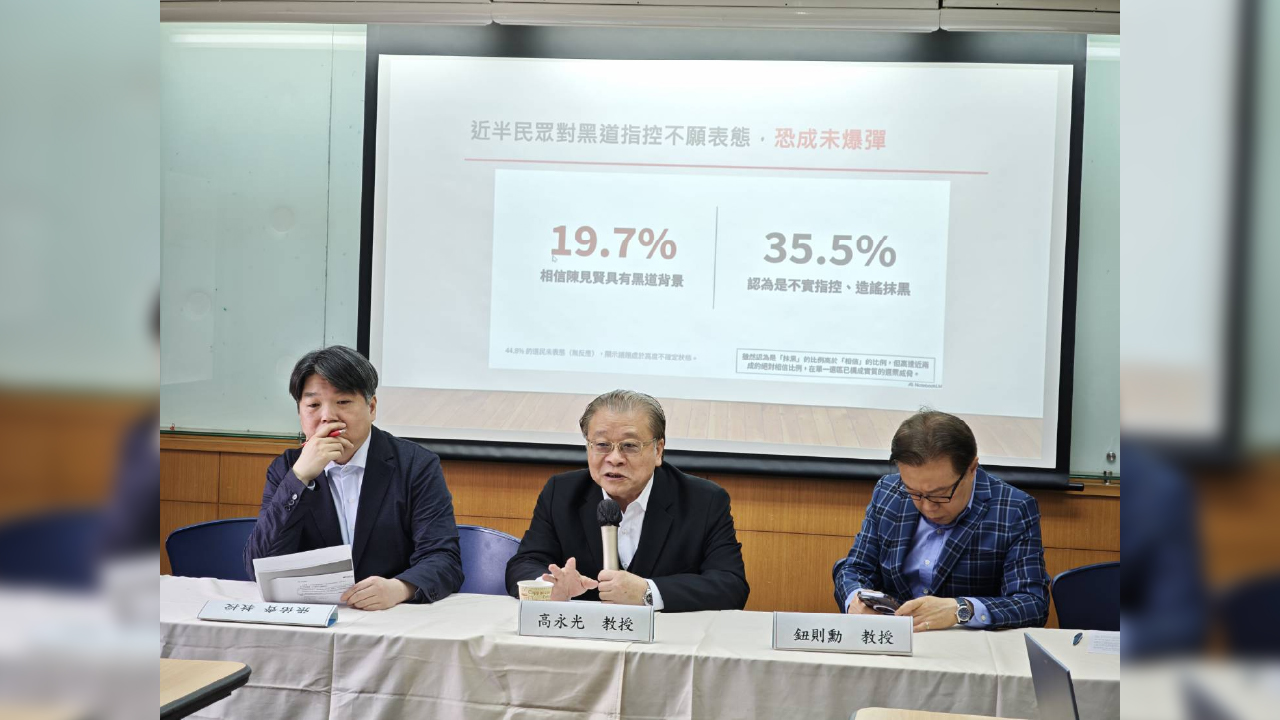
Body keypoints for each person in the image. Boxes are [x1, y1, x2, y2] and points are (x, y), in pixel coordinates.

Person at [244, 346, 462, 609]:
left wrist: (400, 588)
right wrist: (299, 479)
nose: (327, 416)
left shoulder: (416, 465)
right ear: (300, 412)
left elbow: (443, 558)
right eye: (313, 405)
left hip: (391, 615)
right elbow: (260, 566)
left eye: (343, 402)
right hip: (312, 616)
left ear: (371, 407)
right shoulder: (287, 469)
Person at [505, 390, 749, 612]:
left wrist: (648, 592)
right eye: (602, 445)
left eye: (630, 446)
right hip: (583, 637)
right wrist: (550, 587)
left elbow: (730, 586)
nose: (614, 458)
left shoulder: (703, 501)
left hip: (667, 639)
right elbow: (524, 564)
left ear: (658, 450)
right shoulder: (561, 493)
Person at [833, 410, 1049, 630]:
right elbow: (855, 569)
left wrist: (961, 609)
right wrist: (856, 601)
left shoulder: (1013, 509)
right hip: (893, 637)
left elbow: (1032, 604)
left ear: (971, 469)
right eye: (914, 492)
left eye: (940, 494)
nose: (927, 506)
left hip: (965, 643)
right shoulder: (889, 492)